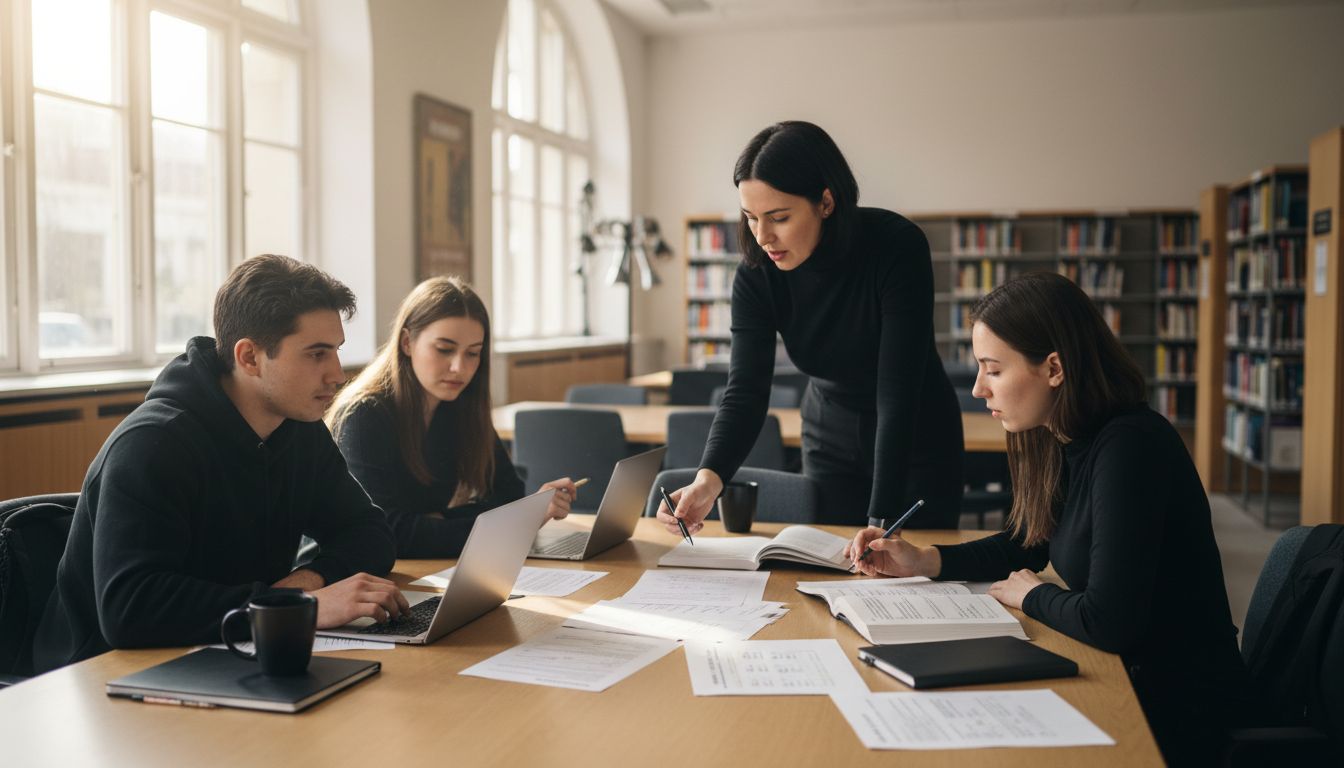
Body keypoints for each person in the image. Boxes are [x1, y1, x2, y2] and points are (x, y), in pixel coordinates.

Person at [844, 272, 1256, 765]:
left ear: (1054, 368)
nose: (977, 389)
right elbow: (1027, 542)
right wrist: (923, 560)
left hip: (1175, 707)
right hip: (1127, 672)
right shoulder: (1064, 433)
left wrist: (1033, 594)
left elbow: (1110, 622)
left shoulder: (1129, 446)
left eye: (992, 370)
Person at [34, 255, 409, 672]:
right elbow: (130, 609)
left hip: (223, 653)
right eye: (316, 354)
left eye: (336, 351)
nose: (338, 375)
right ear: (249, 357)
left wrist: (308, 584)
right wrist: (296, 605)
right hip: (102, 676)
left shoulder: (298, 428)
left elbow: (371, 534)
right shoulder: (153, 445)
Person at [659, 120, 963, 533]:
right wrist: (708, 479)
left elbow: (897, 392)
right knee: (827, 569)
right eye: (750, 218)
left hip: (914, 435)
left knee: (909, 576)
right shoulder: (757, 273)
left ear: (826, 201)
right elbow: (745, 391)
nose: (763, 237)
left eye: (779, 217)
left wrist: (881, 520)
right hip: (829, 435)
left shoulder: (896, 246)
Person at [326, 276, 577, 558]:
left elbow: (509, 500)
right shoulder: (364, 415)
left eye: (473, 354)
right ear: (407, 342)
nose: (459, 367)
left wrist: (442, 521)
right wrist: (516, 520)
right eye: (444, 349)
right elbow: (385, 533)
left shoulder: (460, 405)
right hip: (351, 578)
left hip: (423, 570)